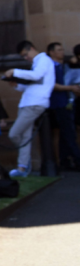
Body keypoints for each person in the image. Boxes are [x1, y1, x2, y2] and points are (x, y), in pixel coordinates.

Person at [3, 40, 56, 178]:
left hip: (34, 104)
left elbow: (36, 76)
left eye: (26, 54)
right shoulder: (38, 63)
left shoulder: (43, 59)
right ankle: (23, 168)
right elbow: (34, 84)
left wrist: (14, 71)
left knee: (14, 134)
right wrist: (16, 85)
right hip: (29, 103)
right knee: (25, 136)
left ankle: (24, 165)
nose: (26, 58)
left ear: (32, 48)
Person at [47, 42, 80, 171]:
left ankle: (65, 160)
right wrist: (71, 87)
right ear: (52, 52)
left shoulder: (62, 66)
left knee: (65, 134)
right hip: (58, 104)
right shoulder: (51, 67)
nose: (62, 52)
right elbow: (52, 84)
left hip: (65, 103)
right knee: (69, 133)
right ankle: (76, 160)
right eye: (59, 50)